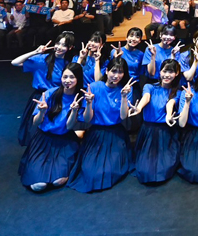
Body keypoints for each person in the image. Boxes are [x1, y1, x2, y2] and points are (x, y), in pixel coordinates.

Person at [67, 57, 134, 192]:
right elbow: (87, 119)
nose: (116, 76)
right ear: (107, 71)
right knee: (90, 171)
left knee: (109, 170)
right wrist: (90, 103)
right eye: (113, 71)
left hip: (116, 134)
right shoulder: (95, 87)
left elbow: (123, 116)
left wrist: (124, 97)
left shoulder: (126, 90)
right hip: (96, 133)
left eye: (120, 72)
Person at [18, 61, 87, 192]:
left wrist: (74, 112)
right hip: (43, 139)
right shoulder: (50, 94)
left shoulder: (80, 98)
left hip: (64, 140)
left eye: (72, 77)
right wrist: (42, 111)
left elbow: (69, 125)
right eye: (65, 77)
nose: (67, 80)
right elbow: (35, 123)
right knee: (38, 185)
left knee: (58, 181)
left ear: (78, 78)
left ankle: (78, 137)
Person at [11, 31, 75, 146]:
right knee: (34, 133)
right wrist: (35, 52)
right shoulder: (42, 59)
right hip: (40, 98)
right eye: (58, 43)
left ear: (70, 48)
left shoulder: (69, 64)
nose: (59, 47)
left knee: (55, 132)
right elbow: (15, 62)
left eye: (64, 45)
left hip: (58, 99)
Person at [131, 58, 182, 184]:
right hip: (148, 131)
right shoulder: (150, 87)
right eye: (165, 71)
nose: (167, 75)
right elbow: (146, 98)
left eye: (171, 72)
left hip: (165, 132)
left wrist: (169, 115)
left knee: (163, 168)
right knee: (145, 170)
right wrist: (138, 108)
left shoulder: (178, 92)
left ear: (176, 74)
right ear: (160, 72)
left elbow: (170, 103)